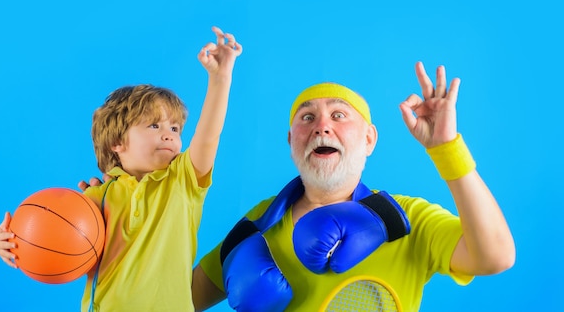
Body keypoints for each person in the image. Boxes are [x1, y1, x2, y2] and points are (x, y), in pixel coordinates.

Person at [191, 62, 515, 312]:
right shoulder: (257, 225)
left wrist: (447, 149)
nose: (322, 127)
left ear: (369, 139)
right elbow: (178, 298)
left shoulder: (407, 219)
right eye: (307, 117)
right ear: (291, 142)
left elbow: (495, 255)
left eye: (338, 114)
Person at [0, 26, 243, 312]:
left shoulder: (183, 181)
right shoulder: (94, 198)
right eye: (154, 125)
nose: (169, 135)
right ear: (116, 143)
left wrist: (221, 77)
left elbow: (208, 135)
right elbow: (47, 239)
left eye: (174, 128)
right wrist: (10, 243)